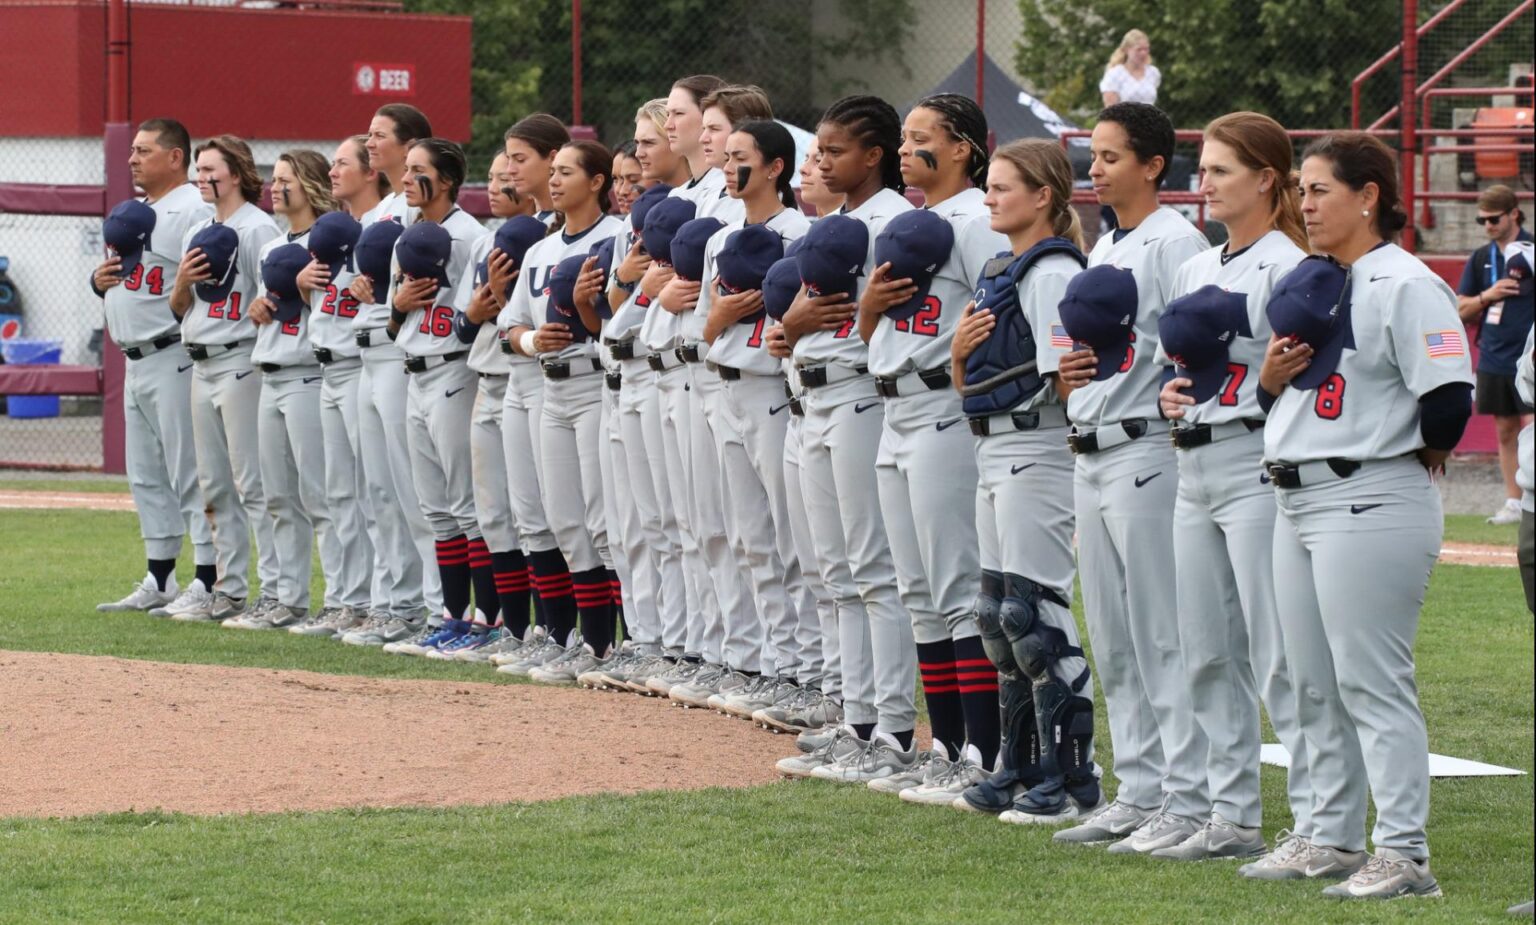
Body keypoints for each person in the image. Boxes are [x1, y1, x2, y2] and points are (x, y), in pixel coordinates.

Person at [1259, 131, 1473, 900]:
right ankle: (1330, 833)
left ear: (1368, 195)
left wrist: (1418, 448)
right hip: (1298, 491)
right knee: (1306, 678)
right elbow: (1289, 399)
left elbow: (1448, 398)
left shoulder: (1405, 281)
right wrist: (1268, 382)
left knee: (1371, 681)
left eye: (1319, 189)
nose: (1305, 204)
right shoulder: (1318, 280)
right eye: (1302, 189)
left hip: (1370, 491)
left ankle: (1405, 851)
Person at [1050, 102, 1213, 851]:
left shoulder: (1176, 241)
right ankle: (1140, 786)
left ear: (1154, 165)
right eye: (1095, 153)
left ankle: (1188, 794)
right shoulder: (1112, 240)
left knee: (1160, 630)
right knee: (1113, 636)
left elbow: (1191, 348)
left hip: (1147, 445)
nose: (1097, 166)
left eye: (1112, 155)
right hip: (1093, 443)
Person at [1153, 112, 1314, 864]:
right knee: (1205, 651)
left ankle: (1316, 820)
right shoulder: (1197, 266)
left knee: (1277, 652)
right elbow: (1174, 367)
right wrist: (1168, 395)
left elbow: (1304, 377)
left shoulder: (1289, 264)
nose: (1204, 182)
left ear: (1265, 178)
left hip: (1256, 460)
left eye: (1220, 170)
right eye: (1204, 167)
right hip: (1192, 466)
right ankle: (1230, 813)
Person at [860, 94, 1010, 800]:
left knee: (955, 586)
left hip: (946, 408)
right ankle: (946, 745)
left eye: (921, 137)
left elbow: (1006, 305)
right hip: (895, 407)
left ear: (963, 147)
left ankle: (985, 748)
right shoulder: (910, 221)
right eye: (904, 138)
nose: (905, 148)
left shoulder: (979, 218)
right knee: (918, 591)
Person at [944, 139, 1099, 820]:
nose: (989, 197)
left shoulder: (1052, 271)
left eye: (1004, 187)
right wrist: (955, 358)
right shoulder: (1002, 267)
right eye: (990, 186)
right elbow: (968, 383)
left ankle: (1072, 776)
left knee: (1034, 615)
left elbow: (1069, 380)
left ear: (1044, 196)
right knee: (997, 619)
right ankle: (1017, 762)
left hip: (1037, 448)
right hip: (994, 447)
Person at [778, 95, 918, 783]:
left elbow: (889, 328)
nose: (823, 159)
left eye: (836, 150)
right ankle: (855, 714)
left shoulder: (895, 223)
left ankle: (891, 725)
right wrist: (793, 328)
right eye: (821, 149)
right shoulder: (835, 221)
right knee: (834, 569)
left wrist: (820, 325)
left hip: (861, 392)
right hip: (812, 393)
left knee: (872, 568)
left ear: (874, 156)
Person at [658, 85, 776, 711]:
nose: (707, 140)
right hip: (693, 371)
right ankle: (725, 651)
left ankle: (763, 662)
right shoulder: (693, 203)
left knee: (752, 534)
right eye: (701, 127)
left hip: (745, 379)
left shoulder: (753, 211)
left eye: (718, 129)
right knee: (703, 527)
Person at [693, 118, 815, 720]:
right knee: (750, 537)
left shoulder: (801, 234)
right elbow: (702, 326)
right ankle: (777, 665)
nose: (726, 164)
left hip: (772, 390)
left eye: (740, 156)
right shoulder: (719, 239)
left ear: (775, 167)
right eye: (726, 155)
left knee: (790, 539)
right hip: (725, 388)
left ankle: (810, 674)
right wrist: (719, 317)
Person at [499, 141, 628, 680]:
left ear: (598, 181)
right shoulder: (540, 250)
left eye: (566, 172)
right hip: (549, 387)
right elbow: (509, 329)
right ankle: (581, 641)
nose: (553, 181)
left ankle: (621, 644)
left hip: (596, 383)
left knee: (603, 521)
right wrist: (531, 341)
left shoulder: (617, 238)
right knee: (562, 520)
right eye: (551, 172)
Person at [92, 118, 218, 617]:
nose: (132, 158)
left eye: (144, 150)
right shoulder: (137, 211)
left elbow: (210, 278)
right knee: (145, 474)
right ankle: (160, 575)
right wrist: (99, 282)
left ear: (175, 157)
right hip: (136, 358)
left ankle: (208, 580)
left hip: (173, 352)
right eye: (133, 149)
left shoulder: (193, 209)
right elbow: (134, 279)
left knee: (190, 471)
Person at [598, 99, 696, 694]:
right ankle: (652, 638)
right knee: (639, 526)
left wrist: (642, 291)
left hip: (672, 372)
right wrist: (634, 285)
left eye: (647, 141)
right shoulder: (647, 215)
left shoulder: (691, 209)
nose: (637, 153)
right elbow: (616, 306)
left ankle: (687, 647)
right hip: (629, 368)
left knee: (685, 525)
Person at [381, 137, 491, 654]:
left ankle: (487, 622)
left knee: (467, 507)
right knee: (436, 509)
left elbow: (476, 316)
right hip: (413, 370)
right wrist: (399, 305)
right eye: (406, 169)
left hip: (454, 371)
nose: (405, 179)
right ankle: (452, 616)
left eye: (417, 170)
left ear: (444, 181)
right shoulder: (406, 231)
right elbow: (391, 322)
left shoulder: (472, 238)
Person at [168, 134, 282, 623]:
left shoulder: (259, 229)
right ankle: (229, 589)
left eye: (211, 168)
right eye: (199, 168)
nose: (202, 176)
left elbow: (274, 300)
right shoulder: (199, 229)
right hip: (201, 360)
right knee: (214, 485)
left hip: (240, 359)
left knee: (253, 483)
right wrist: (181, 281)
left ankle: (275, 590)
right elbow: (179, 309)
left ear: (236, 173)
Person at [438, 155, 549, 661]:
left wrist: (505, 303)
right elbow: (464, 327)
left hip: (531, 380)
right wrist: (484, 309)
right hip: (487, 378)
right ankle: (499, 623)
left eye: (516, 165)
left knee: (539, 515)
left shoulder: (550, 237)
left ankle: (548, 630)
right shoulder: (490, 240)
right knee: (492, 513)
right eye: (500, 168)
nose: (503, 178)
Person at [485, 113, 583, 666]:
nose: (511, 170)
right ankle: (552, 632)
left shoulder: (575, 231)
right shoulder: (536, 234)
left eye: (521, 158)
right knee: (530, 514)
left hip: (571, 380)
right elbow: (510, 324)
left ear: (553, 160)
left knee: (568, 513)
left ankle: (586, 636)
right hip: (525, 375)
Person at [345, 105, 443, 647]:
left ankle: (430, 607)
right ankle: (394, 603)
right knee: (378, 490)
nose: (370, 141)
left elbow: (420, 285)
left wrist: (385, 297)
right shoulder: (381, 209)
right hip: (368, 353)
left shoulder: (416, 211)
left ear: (411, 148)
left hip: (398, 352)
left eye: (380, 135)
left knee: (413, 491)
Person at [230, 149, 339, 630]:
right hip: (270, 372)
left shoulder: (329, 240)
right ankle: (283, 596)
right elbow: (271, 304)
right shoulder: (274, 247)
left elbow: (332, 313)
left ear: (311, 184)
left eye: (286, 179)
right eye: (274, 179)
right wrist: (262, 305)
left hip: (308, 374)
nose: (275, 187)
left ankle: (340, 600)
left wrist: (299, 288)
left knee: (320, 495)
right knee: (276, 495)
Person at [287, 137, 387, 639]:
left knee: (371, 492)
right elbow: (324, 305)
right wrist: (306, 286)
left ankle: (376, 601)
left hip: (361, 363)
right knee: (337, 493)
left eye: (343, 162)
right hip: (327, 366)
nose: (331, 171)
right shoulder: (330, 230)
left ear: (371, 172)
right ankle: (346, 598)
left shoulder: (384, 224)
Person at [1455, 184, 1533, 525]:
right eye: (1481, 219)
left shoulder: (1531, 250)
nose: (1487, 225)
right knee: (1505, 429)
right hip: (1495, 354)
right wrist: (1488, 295)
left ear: (1514, 214)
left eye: (1493, 218)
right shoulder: (1480, 258)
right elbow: (1460, 309)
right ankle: (1513, 502)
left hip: (1529, 356)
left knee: (1533, 426)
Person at [1100, 29, 1160, 107]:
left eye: (1146, 49)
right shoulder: (1115, 74)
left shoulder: (1153, 72)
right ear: (1126, 50)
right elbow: (1110, 108)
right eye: (1139, 50)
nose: (1143, 53)